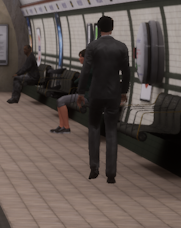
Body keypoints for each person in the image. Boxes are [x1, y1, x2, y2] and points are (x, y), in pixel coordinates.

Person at [81, 15, 132, 182]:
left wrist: (81, 92)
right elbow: (126, 72)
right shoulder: (121, 47)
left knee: (94, 128)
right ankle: (111, 173)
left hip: (96, 93)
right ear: (112, 28)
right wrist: (123, 91)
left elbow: (85, 71)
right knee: (111, 131)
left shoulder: (92, 47)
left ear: (98, 28)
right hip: (113, 94)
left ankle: (94, 168)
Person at [51, 50, 88, 132]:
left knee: (61, 101)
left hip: (85, 96)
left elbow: (78, 81)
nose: (79, 59)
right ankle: (61, 125)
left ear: (85, 58)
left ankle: (66, 127)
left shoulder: (87, 69)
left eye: (81, 57)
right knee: (59, 101)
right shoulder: (88, 68)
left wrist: (79, 78)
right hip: (83, 94)